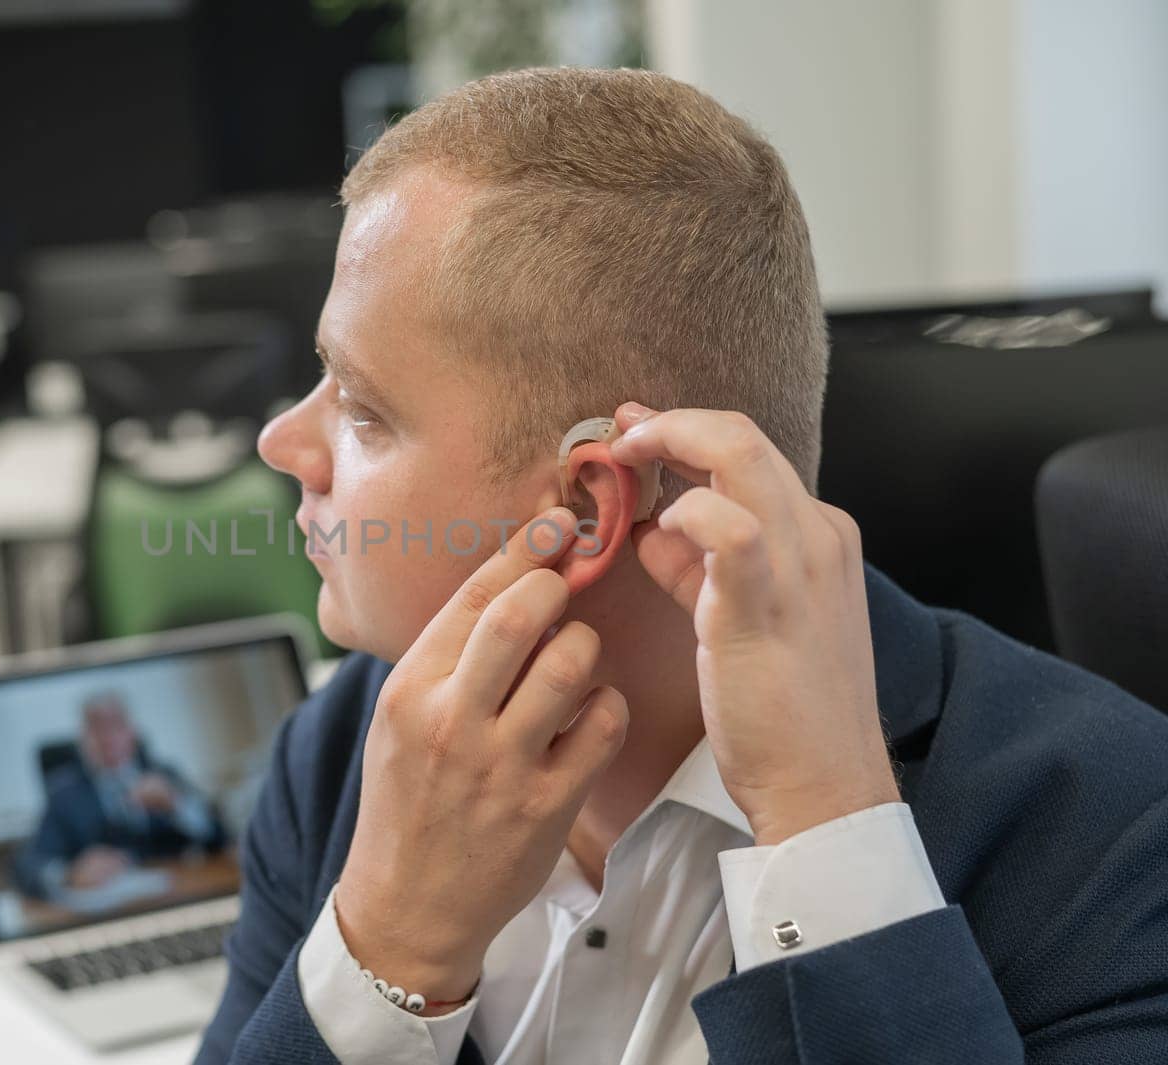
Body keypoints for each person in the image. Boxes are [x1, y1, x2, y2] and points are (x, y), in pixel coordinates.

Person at [190, 68, 1168, 1064]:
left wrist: (827, 838)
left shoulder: (1118, 830)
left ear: (582, 505)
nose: (283, 443)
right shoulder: (348, 748)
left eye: (361, 408)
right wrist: (388, 951)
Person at [15, 693, 226, 902]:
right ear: (83, 738)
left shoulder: (163, 775)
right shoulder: (64, 794)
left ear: (132, 731)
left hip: (173, 897)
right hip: (105, 914)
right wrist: (69, 873)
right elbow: (28, 866)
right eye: (97, 728)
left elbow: (219, 837)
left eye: (116, 725)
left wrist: (177, 805)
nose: (108, 737)